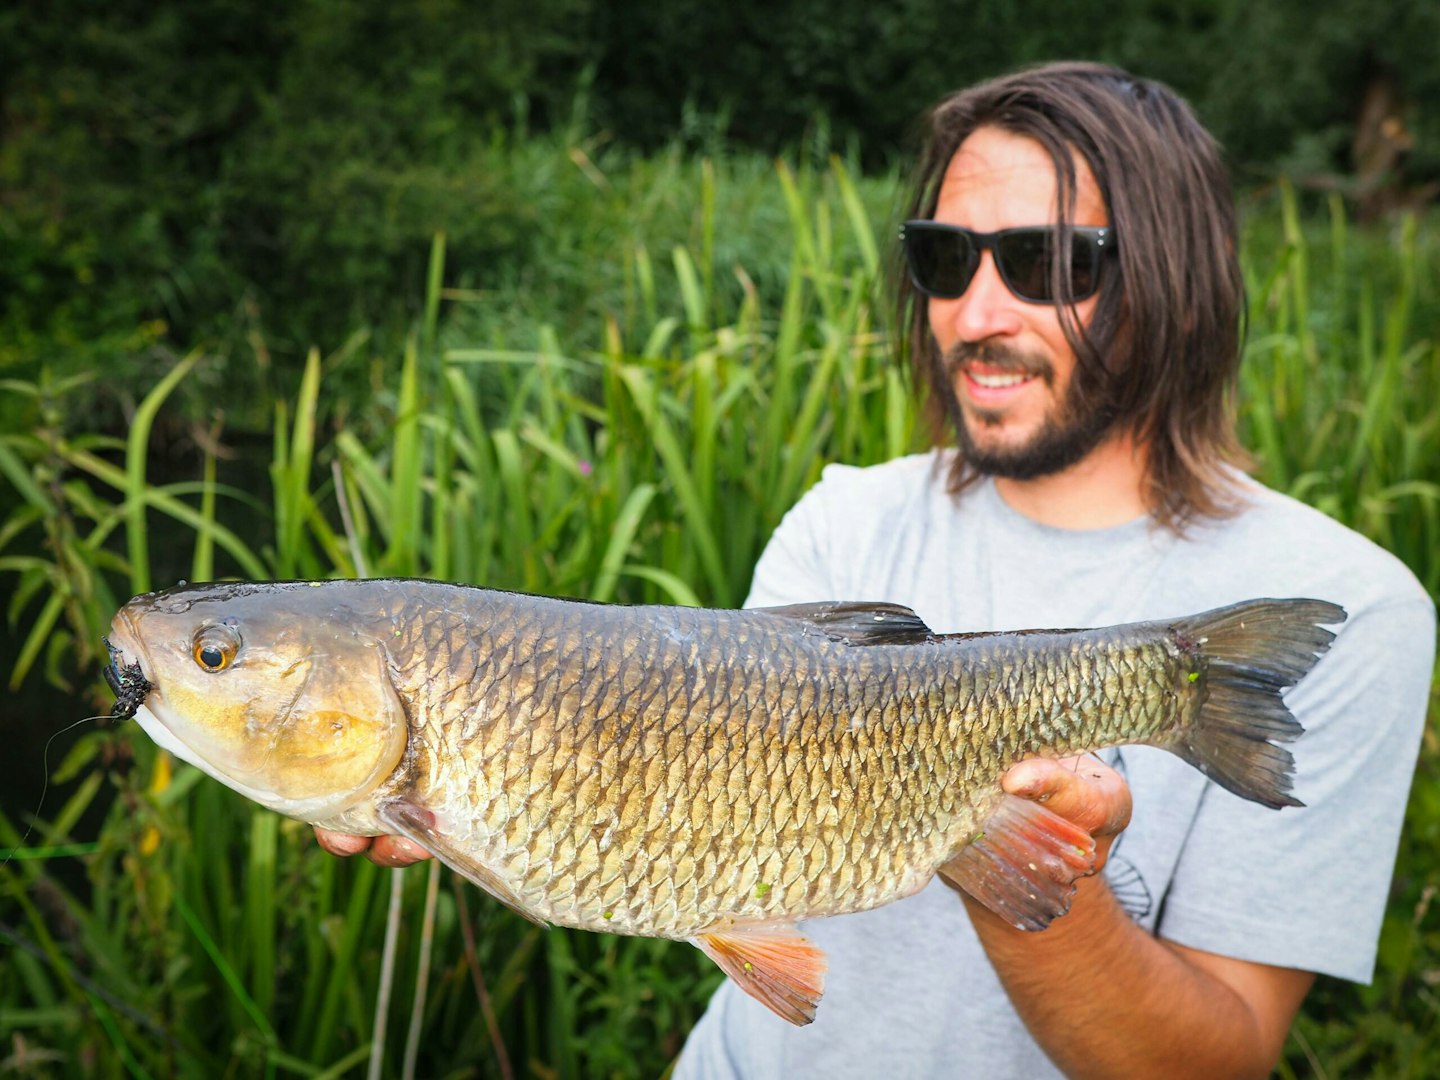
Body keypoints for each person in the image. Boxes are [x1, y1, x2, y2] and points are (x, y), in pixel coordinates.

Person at [319, 62, 1436, 1078]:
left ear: (1175, 277)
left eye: (1045, 262)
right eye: (945, 258)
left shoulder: (1354, 605)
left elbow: (1213, 1065)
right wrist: (471, 788)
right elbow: (711, 850)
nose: (975, 313)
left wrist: (1035, 869)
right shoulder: (844, 517)